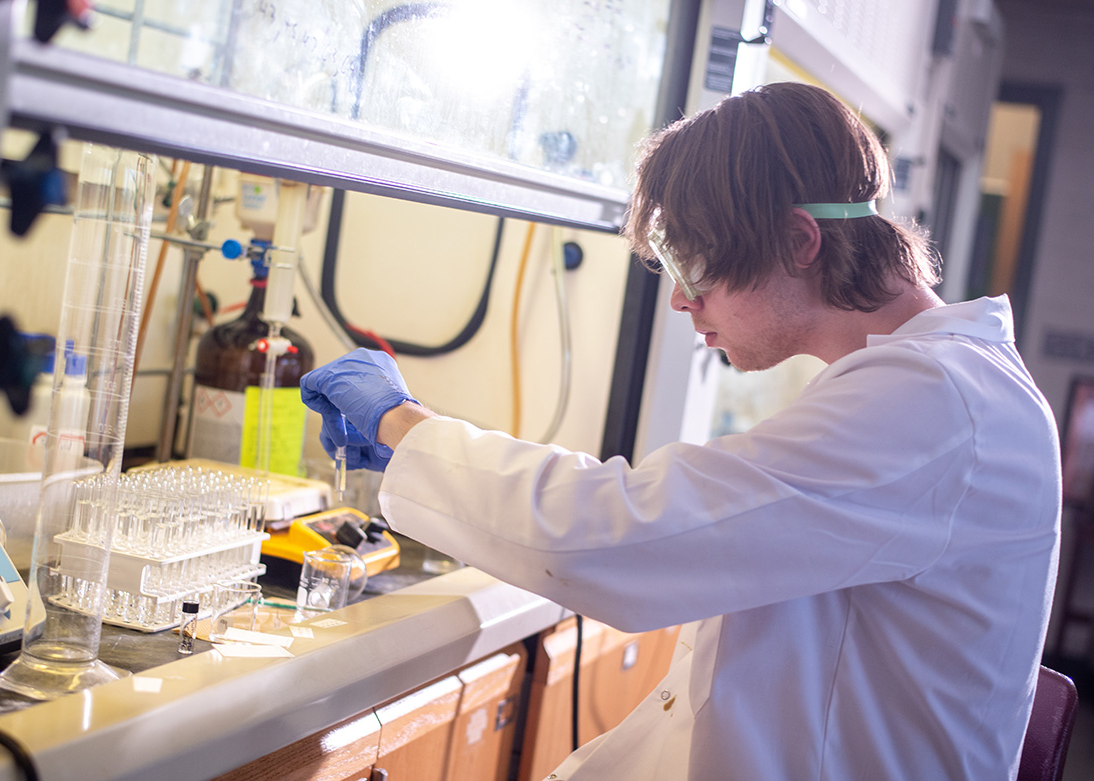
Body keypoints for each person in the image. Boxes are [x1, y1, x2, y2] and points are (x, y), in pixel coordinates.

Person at [300, 82, 1061, 780]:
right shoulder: (927, 386)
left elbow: (618, 533)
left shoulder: (936, 404)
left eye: (694, 263)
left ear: (801, 242)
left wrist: (405, 425)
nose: (681, 301)